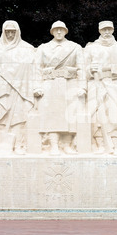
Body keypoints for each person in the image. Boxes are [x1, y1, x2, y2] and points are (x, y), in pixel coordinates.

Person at [34, 21, 86, 155]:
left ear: (65, 31)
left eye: (61, 30)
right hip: (50, 84)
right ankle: (54, 145)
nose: (58, 32)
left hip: (70, 84)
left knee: (70, 115)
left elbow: (81, 68)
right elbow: (37, 69)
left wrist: (83, 87)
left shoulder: (75, 47)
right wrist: (37, 86)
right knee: (52, 115)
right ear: (52, 31)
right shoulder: (43, 48)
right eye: (56, 30)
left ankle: (67, 145)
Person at [0, 20, 35, 155]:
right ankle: (1, 143)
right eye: (7, 31)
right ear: (3, 32)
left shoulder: (27, 48)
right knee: (1, 116)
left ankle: (19, 144)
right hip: (1, 90)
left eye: (12, 32)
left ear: (17, 32)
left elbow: (33, 68)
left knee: (19, 117)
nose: (9, 34)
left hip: (20, 91)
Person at [84, 21, 117, 155]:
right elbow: (83, 69)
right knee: (96, 116)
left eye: (109, 29)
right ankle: (100, 145)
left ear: (113, 30)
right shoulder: (91, 48)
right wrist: (90, 70)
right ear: (99, 31)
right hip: (96, 84)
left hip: (116, 84)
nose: (107, 32)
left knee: (115, 115)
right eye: (104, 29)